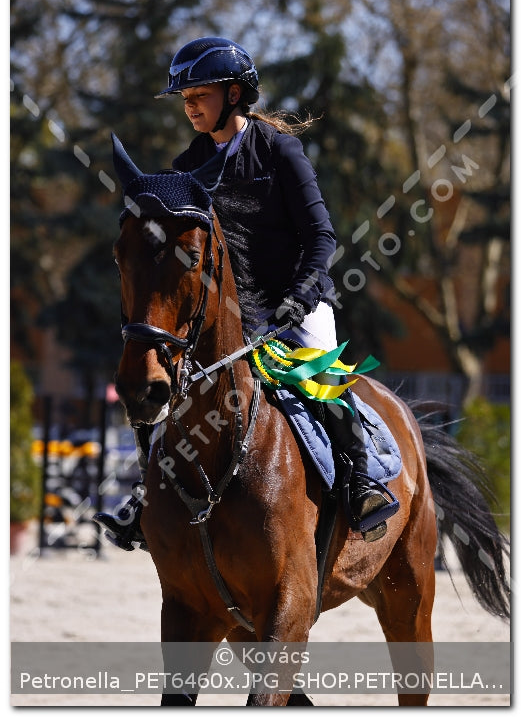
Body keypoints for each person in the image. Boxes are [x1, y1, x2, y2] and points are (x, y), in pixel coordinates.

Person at [94, 37, 388, 550]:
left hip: (294, 301)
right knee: (163, 379)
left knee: (322, 369)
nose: (188, 106)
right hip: (229, 311)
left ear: (233, 94)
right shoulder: (186, 164)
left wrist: (300, 293)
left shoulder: (278, 149)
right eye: (184, 99)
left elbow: (321, 236)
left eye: (197, 95)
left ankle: (362, 480)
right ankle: (148, 494)